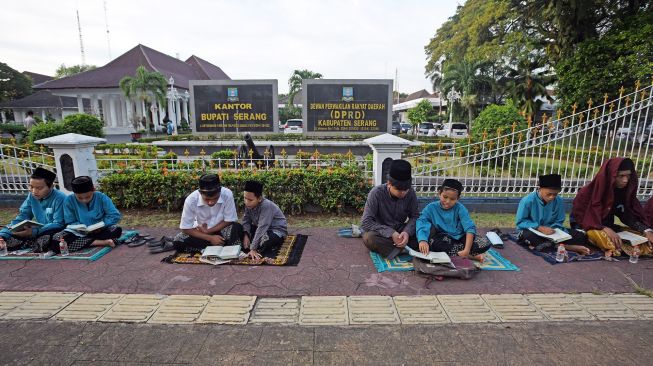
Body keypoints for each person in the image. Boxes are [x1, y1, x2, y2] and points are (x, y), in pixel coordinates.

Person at [571, 157, 653, 257]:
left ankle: (631, 248)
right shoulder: (587, 193)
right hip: (587, 228)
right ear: (610, 176)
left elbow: (628, 216)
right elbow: (580, 220)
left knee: (642, 237)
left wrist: (646, 231)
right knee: (605, 238)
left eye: (628, 176)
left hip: (610, 228)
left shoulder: (621, 192)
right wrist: (603, 228)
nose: (625, 180)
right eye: (621, 176)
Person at [416, 178, 491, 261]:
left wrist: (467, 249)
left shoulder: (460, 209)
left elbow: (469, 228)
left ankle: (464, 253)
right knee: (433, 243)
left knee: (485, 242)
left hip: (460, 237)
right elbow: (421, 221)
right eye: (445, 197)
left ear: (458, 198)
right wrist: (422, 240)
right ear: (439, 193)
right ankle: (471, 256)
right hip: (443, 239)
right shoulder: (431, 207)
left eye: (452, 199)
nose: (447, 201)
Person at [515, 174, 590, 255]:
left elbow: (559, 220)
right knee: (529, 236)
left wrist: (553, 230)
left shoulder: (559, 200)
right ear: (540, 189)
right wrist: (539, 227)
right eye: (549, 194)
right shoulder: (527, 201)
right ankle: (567, 247)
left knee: (580, 236)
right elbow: (520, 222)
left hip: (553, 232)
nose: (552, 197)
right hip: (533, 231)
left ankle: (552, 245)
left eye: (555, 194)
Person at [361, 159, 419, 259]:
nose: (403, 193)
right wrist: (391, 233)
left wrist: (406, 232)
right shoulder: (376, 193)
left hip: (401, 231)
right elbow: (366, 222)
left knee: (429, 229)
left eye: (406, 189)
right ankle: (405, 249)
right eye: (399, 190)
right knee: (368, 238)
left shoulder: (411, 193)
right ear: (389, 183)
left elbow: (415, 216)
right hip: (381, 232)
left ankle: (396, 249)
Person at [170, 174, 243, 253]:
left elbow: (229, 220)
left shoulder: (227, 194)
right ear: (200, 193)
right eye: (207, 199)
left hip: (221, 231)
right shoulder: (191, 200)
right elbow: (185, 228)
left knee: (236, 228)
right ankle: (220, 248)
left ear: (220, 191)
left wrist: (209, 231)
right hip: (201, 234)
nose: (211, 202)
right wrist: (210, 238)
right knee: (178, 240)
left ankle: (207, 249)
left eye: (215, 198)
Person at [0, 168, 66, 252]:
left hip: (52, 231)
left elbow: (59, 224)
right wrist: (3, 235)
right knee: (7, 238)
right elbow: (22, 217)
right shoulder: (32, 196)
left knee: (54, 239)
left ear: (51, 186)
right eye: (31, 187)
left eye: (39, 188)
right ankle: (31, 243)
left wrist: (34, 232)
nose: (34, 191)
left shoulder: (60, 198)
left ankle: (33, 243)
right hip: (36, 232)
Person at [52, 176, 122, 252]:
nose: (84, 200)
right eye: (80, 198)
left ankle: (85, 242)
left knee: (116, 230)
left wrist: (103, 225)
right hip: (79, 233)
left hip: (101, 231)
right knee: (57, 239)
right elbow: (70, 221)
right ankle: (101, 242)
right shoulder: (69, 200)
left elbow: (114, 215)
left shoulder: (101, 197)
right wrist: (81, 229)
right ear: (74, 193)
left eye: (88, 197)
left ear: (93, 190)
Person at [241, 180, 288, 260]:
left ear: (259, 199)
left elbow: (263, 226)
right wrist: (246, 235)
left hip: (275, 230)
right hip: (260, 228)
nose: (246, 202)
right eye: (245, 198)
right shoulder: (248, 205)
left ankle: (255, 251)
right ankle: (255, 247)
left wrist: (253, 248)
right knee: (240, 230)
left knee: (267, 239)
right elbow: (246, 221)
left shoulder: (266, 205)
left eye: (250, 200)